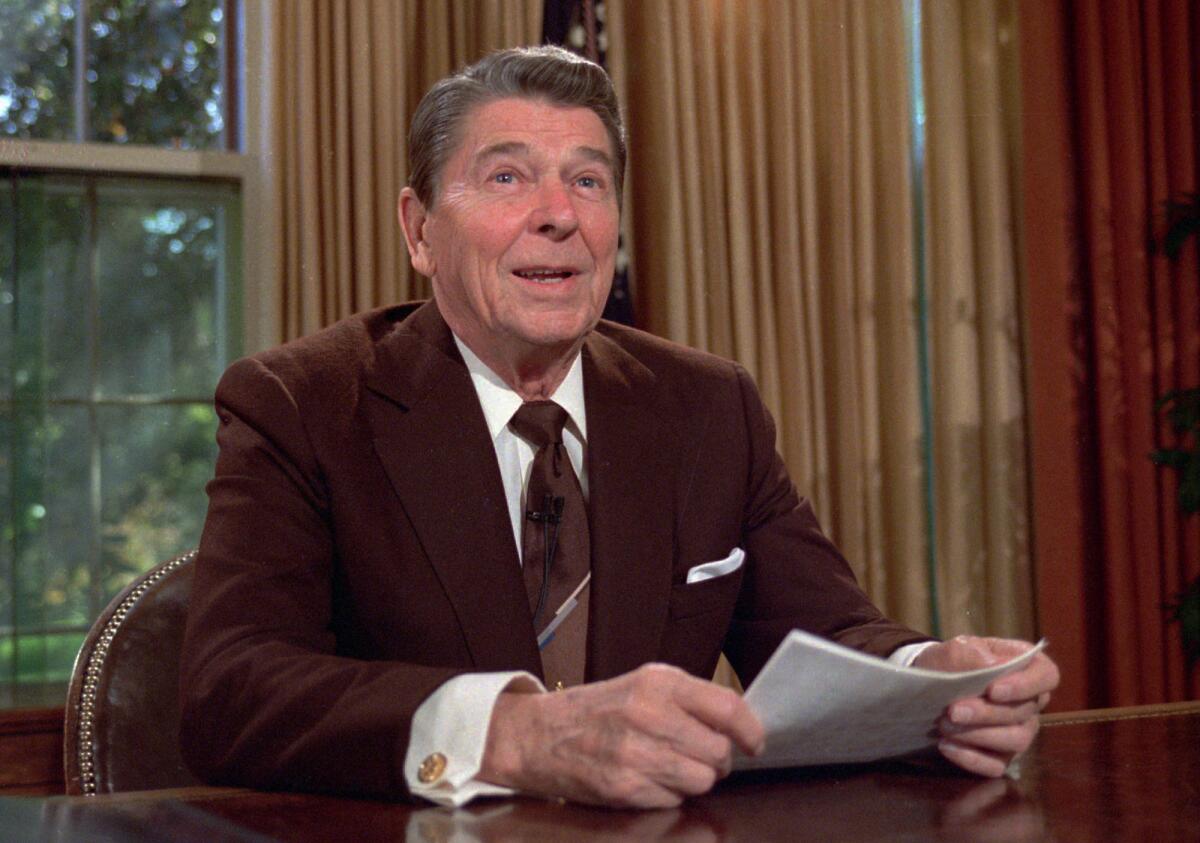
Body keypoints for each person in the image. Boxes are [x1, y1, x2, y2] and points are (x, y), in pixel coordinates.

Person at [179, 45, 1058, 809]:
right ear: (419, 230)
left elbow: (820, 639)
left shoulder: (709, 408)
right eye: (508, 176)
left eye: (588, 180)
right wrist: (521, 734)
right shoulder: (302, 403)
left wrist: (932, 684)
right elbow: (232, 689)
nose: (559, 213)